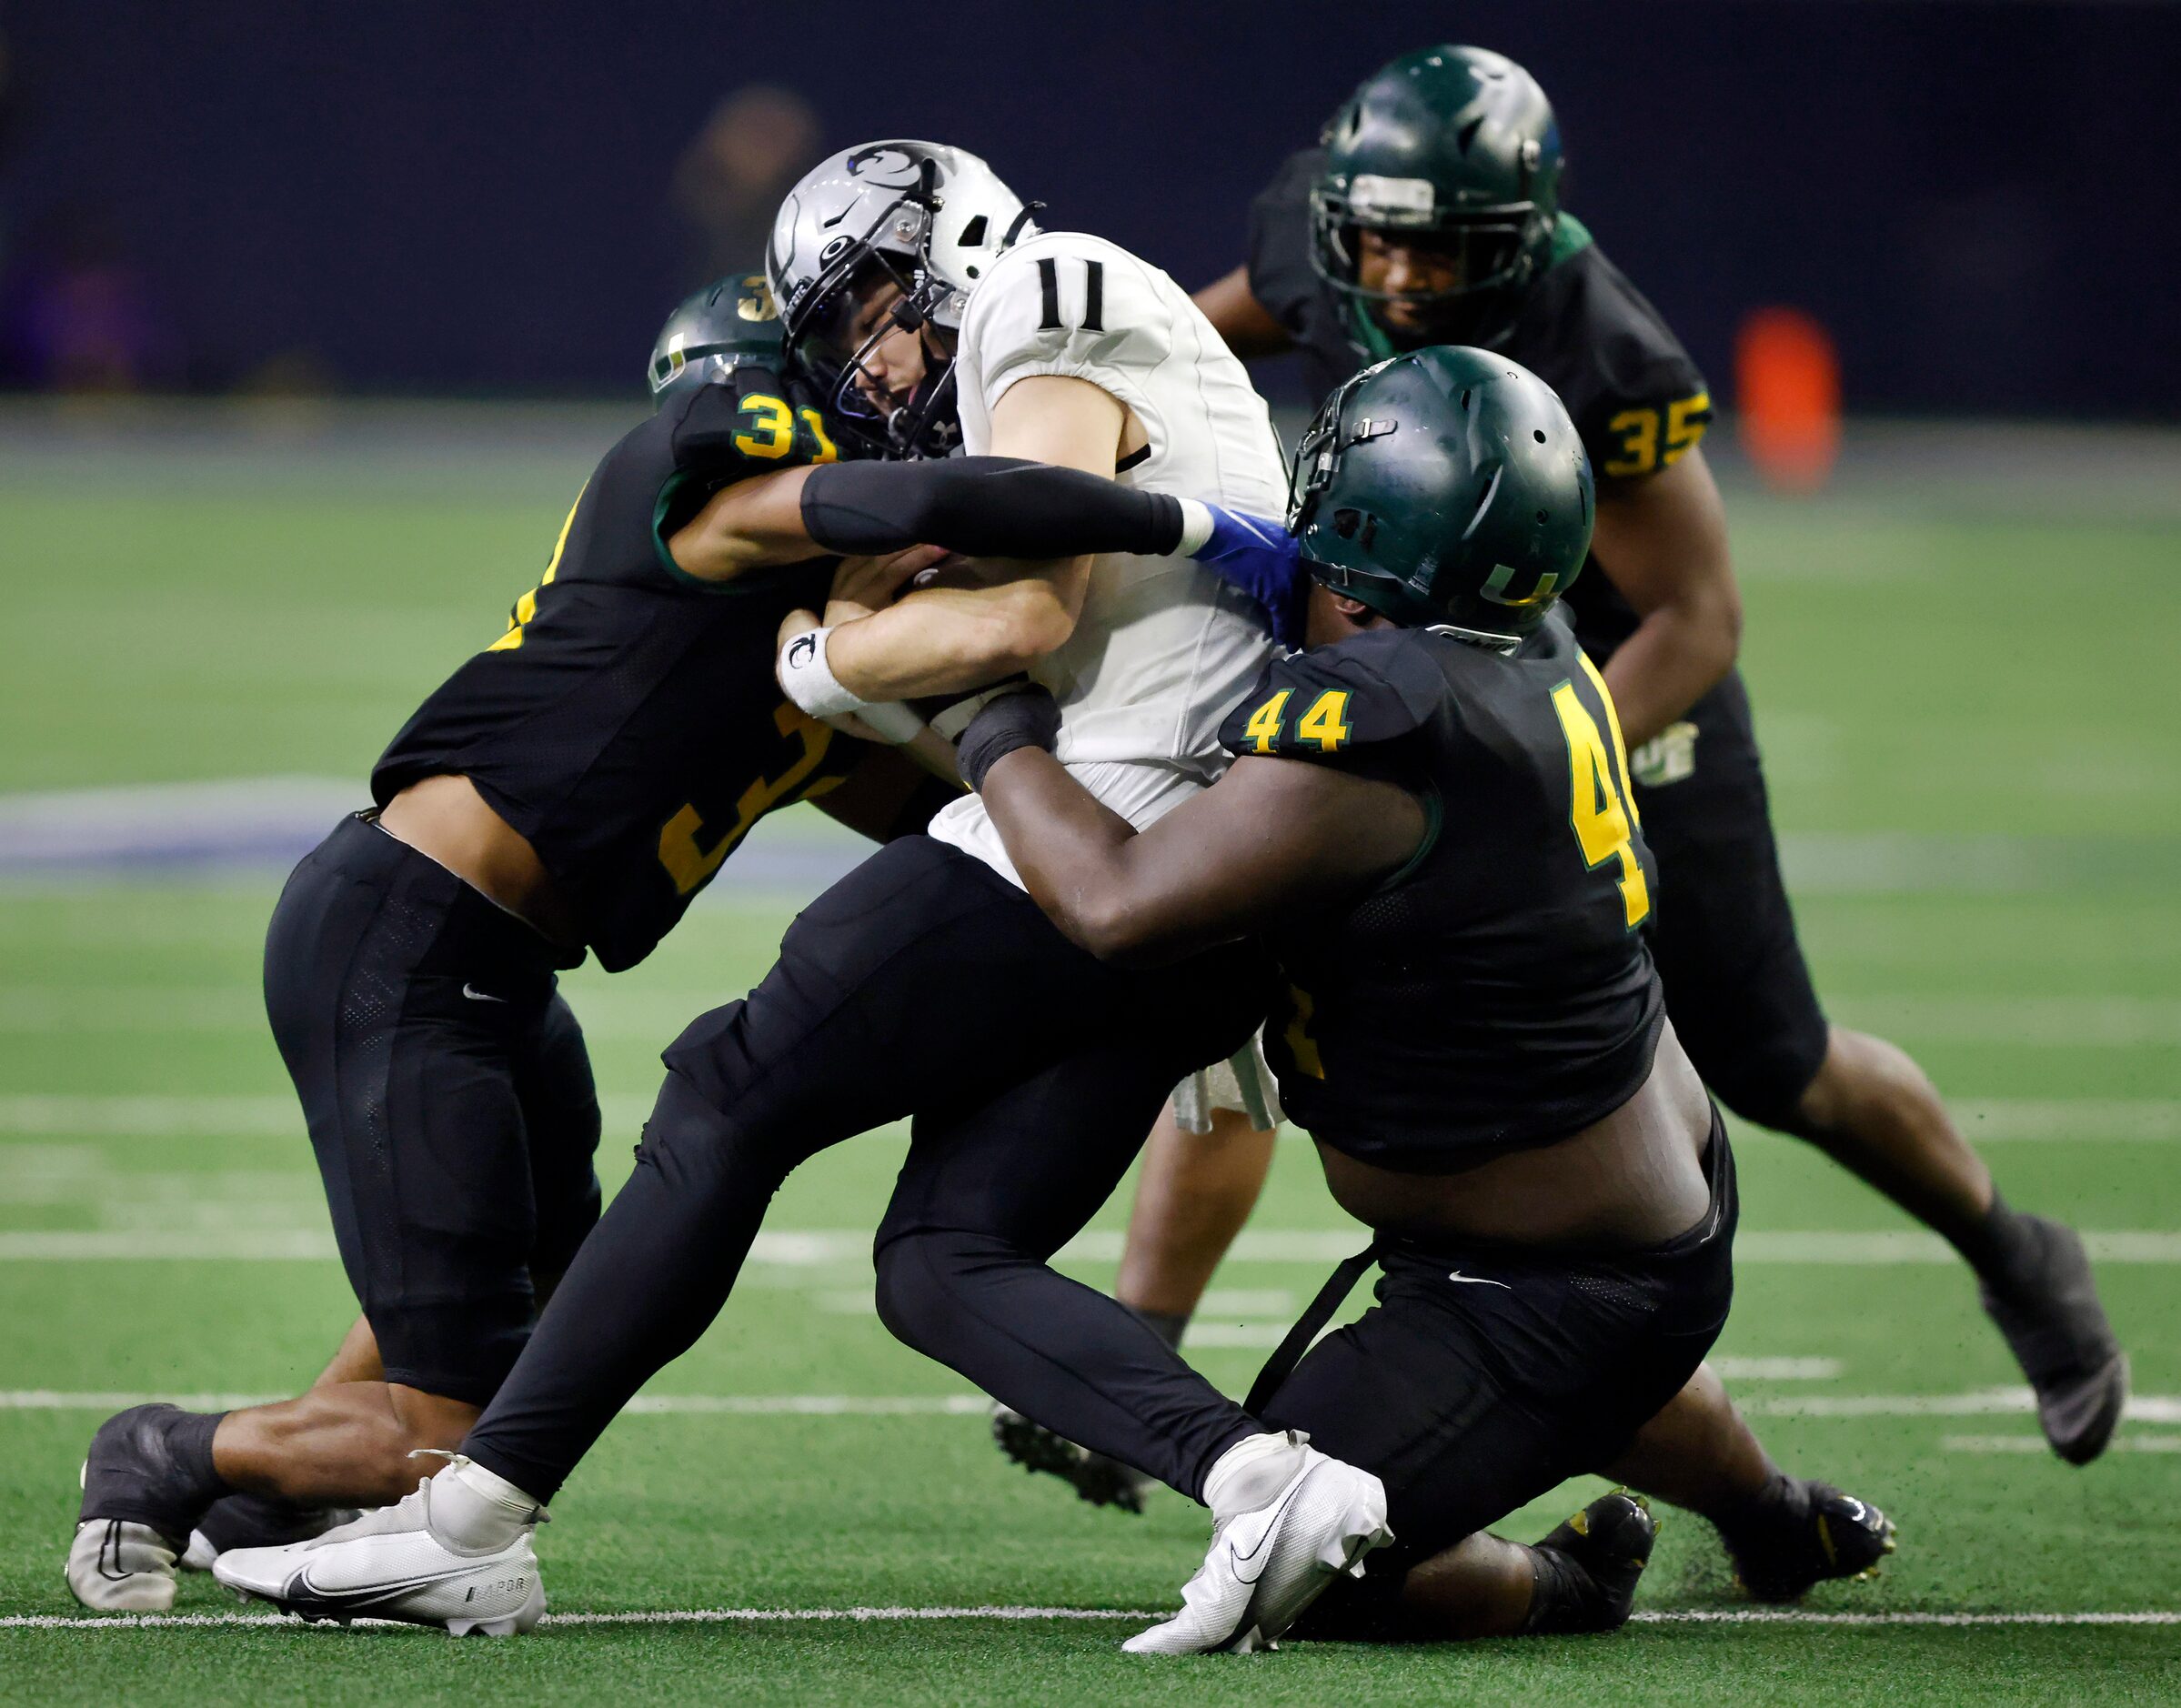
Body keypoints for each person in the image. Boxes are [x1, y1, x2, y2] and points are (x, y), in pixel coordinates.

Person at [209, 140, 1408, 1652]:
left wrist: (819, 662)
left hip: (1109, 812)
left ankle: (470, 1524)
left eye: (876, 306)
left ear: (954, 244)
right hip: (1188, 865)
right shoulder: (1099, 352)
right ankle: (1261, 1480)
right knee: (944, 1260)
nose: (872, 352)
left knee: (724, 1093)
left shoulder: (1044, 286)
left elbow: (1031, 590)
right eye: (844, 327)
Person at [1096, 42, 2124, 1473]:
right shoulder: (1317, 237)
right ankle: (1146, 1332)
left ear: (1516, 235)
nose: (1393, 275)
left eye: (1435, 245)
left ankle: (2017, 1252)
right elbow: (1191, 358)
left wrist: (1527, 763)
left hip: (1604, 696)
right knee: (1255, 964)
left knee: (1776, 1059)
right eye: (1373, 238)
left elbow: (1696, 616)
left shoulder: (1597, 345)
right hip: (1413, 688)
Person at [958, 346, 1888, 1643]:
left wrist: (985, 716)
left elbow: (1117, 903)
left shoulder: (1384, 722)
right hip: (1625, 1185)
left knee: (1308, 1540)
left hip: (1561, 1266)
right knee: (1557, 1376)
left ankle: (1561, 1584)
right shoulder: (1526, 636)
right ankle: (1769, 1511)